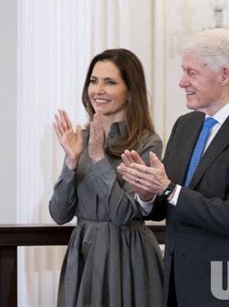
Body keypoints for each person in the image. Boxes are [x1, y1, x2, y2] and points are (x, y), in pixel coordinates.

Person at [117, 28, 229, 306]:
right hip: (179, 286)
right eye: (183, 71)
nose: (182, 82)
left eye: (192, 73)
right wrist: (146, 194)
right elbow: (166, 205)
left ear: (224, 74)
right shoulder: (186, 125)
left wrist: (168, 189)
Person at [50, 48, 164, 307]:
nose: (98, 90)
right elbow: (59, 214)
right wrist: (71, 162)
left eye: (109, 82)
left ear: (130, 91)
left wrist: (99, 159)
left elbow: (124, 213)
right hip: (85, 255)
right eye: (93, 81)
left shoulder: (148, 142)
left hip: (128, 257)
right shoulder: (82, 138)